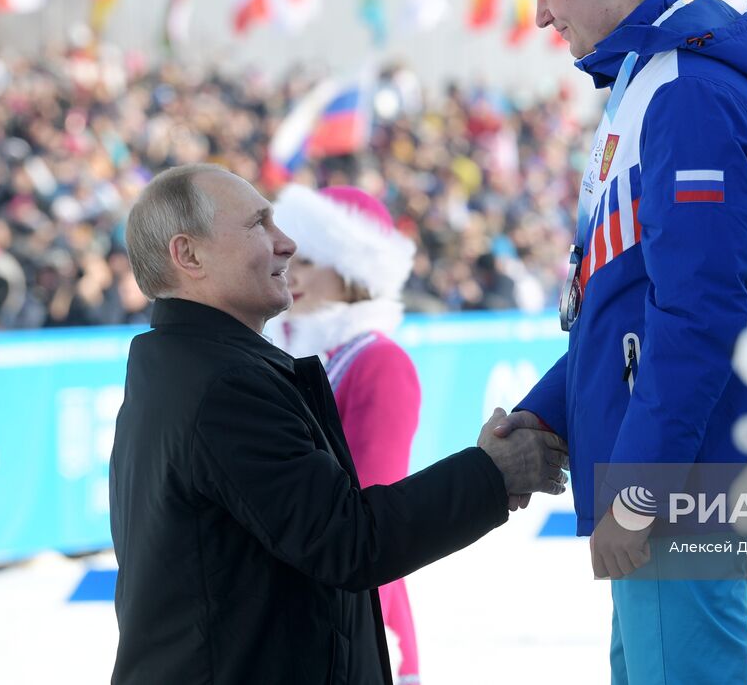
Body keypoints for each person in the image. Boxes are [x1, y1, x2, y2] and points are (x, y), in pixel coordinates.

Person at [495, 0, 747, 683]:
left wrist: (639, 488)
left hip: (685, 485)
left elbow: (700, 313)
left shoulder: (686, 93)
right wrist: (545, 415)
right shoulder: (647, 84)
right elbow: (623, 307)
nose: (539, 13)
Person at [109, 163, 568, 685]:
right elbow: (351, 538)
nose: (286, 245)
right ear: (189, 255)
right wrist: (493, 473)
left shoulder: (178, 365)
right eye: (259, 224)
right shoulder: (224, 385)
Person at [266, 183, 426, 685]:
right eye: (286, 255)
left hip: (358, 619)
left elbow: (374, 514)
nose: (291, 274)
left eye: (309, 260)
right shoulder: (274, 357)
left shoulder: (378, 361)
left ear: (354, 271)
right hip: (285, 615)